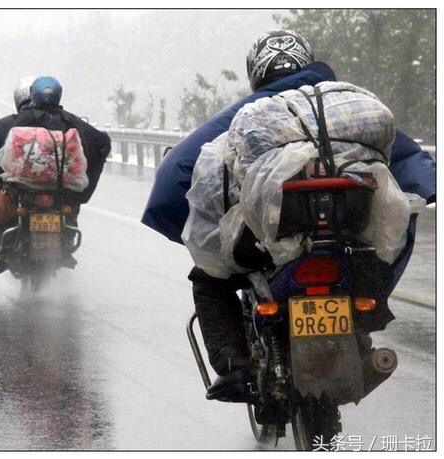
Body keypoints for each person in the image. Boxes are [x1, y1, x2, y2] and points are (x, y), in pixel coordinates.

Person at [141, 30, 436, 402]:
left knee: (209, 279)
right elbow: (410, 159)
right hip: (348, 237)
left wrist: (190, 230)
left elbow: (177, 177)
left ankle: (237, 369)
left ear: (257, 73)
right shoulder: (349, 106)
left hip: (268, 246)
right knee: (394, 232)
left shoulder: (245, 117)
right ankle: (368, 313)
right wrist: (423, 192)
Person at [0, 76, 111, 272]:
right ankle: (67, 246)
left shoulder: (16, 123)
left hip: (24, 188)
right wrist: (83, 188)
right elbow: (100, 143)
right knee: (72, 204)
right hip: (60, 190)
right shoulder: (71, 122)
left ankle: (4, 253)